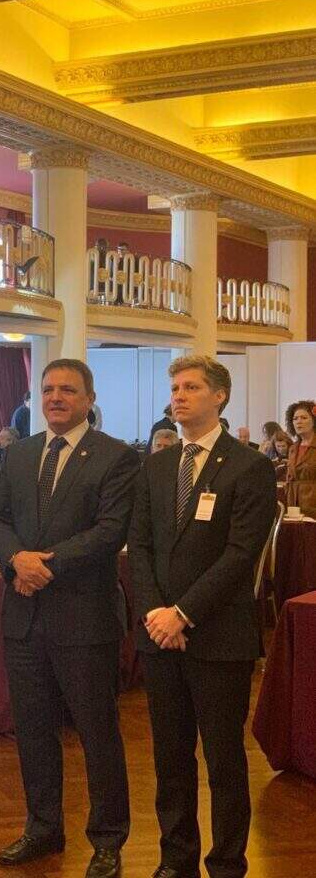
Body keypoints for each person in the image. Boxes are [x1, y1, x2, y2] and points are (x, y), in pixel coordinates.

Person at [0, 358, 140, 877]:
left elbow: (110, 530)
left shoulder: (116, 457)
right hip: (23, 614)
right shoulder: (21, 453)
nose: (55, 398)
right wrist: (15, 560)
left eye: (67, 390)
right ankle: (43, 827)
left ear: (89, 398)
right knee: (33, 730)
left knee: (98, 733)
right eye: (48, 389)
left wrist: (42, 563)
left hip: (85, 618)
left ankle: (108, 838)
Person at [128, 354, 276, 878]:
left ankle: (229, 862)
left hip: (217, 637)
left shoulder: (250, 466)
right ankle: (176, 859)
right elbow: (139, 546)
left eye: (191, 386)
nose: (179, 395)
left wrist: (183, 614)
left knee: (223, 761)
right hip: (159, 635)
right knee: (170, 761)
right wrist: (155, 613)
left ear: (219, 396)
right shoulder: (157, 463)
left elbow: (240, 555)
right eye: (174, 387)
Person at [284, 399, 316, 519]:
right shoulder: (292, 448)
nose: (298, 422)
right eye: (295, 419)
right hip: (294, 509)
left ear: (314, 421)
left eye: (303, 418)